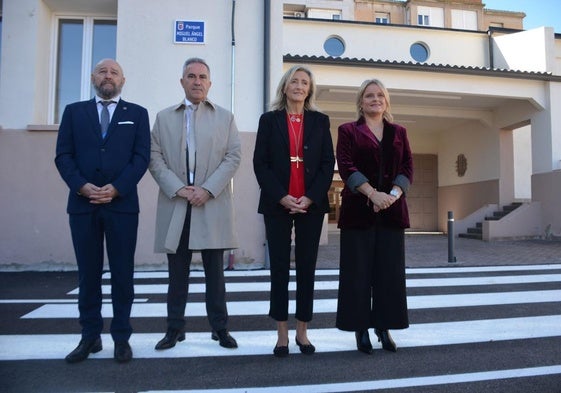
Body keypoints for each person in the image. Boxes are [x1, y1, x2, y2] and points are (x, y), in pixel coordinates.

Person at [55, 58, 151, 363]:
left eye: (113, 72)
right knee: (89, 274)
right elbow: (63, 156)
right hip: (83, 206)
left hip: (122, 206)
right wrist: (82, 186)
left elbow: (141, 157)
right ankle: (89, 337)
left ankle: (121, 337)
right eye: (102, 71)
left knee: (123, 275)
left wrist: (117, 187)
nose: (107, 76)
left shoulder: (137, 114)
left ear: (123, 80)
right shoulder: (74, 112)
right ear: (93, 78)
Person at [149, 57, 241, 351]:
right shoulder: (164, 118)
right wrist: (178, 188)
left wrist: (207, 189)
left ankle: (220, 328)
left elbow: (233, 157)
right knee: (177, 273)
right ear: (182, 82)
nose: (197, 81)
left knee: (215, 273)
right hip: (178, 203)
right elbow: (154, 157)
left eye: (202, 76)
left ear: (210, 83)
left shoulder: (224, 117)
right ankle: (175, 329)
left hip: (210, 202)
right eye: (191, 76)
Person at [253, 65, 335, 357]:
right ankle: (282, 334)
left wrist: (311, 197)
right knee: (278, 268)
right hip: (278, 204)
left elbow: (328, 164)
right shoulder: (269, 120)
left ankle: (302, 332)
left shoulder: (320, 121)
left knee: (306, 268)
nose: (299, 86)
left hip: (310, 205)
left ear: (309, 89)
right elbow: (260, 164)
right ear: (285, 87)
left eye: (304, 82)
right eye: (294, 81)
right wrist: (282, 196)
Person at [335, 78, 413, 355]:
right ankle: (360, 328)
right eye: (369, 96)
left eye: (380, 95)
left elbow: (407, 168)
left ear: (386, 101)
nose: (375, 99)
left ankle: (384, 326)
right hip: (358, 213)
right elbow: (346, 166)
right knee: (358, 274)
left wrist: (391, 195)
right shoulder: (348, 131)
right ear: (361, 102)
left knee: (388, 274)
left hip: (392, 212)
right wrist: (372, 194)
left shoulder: (399, 132)